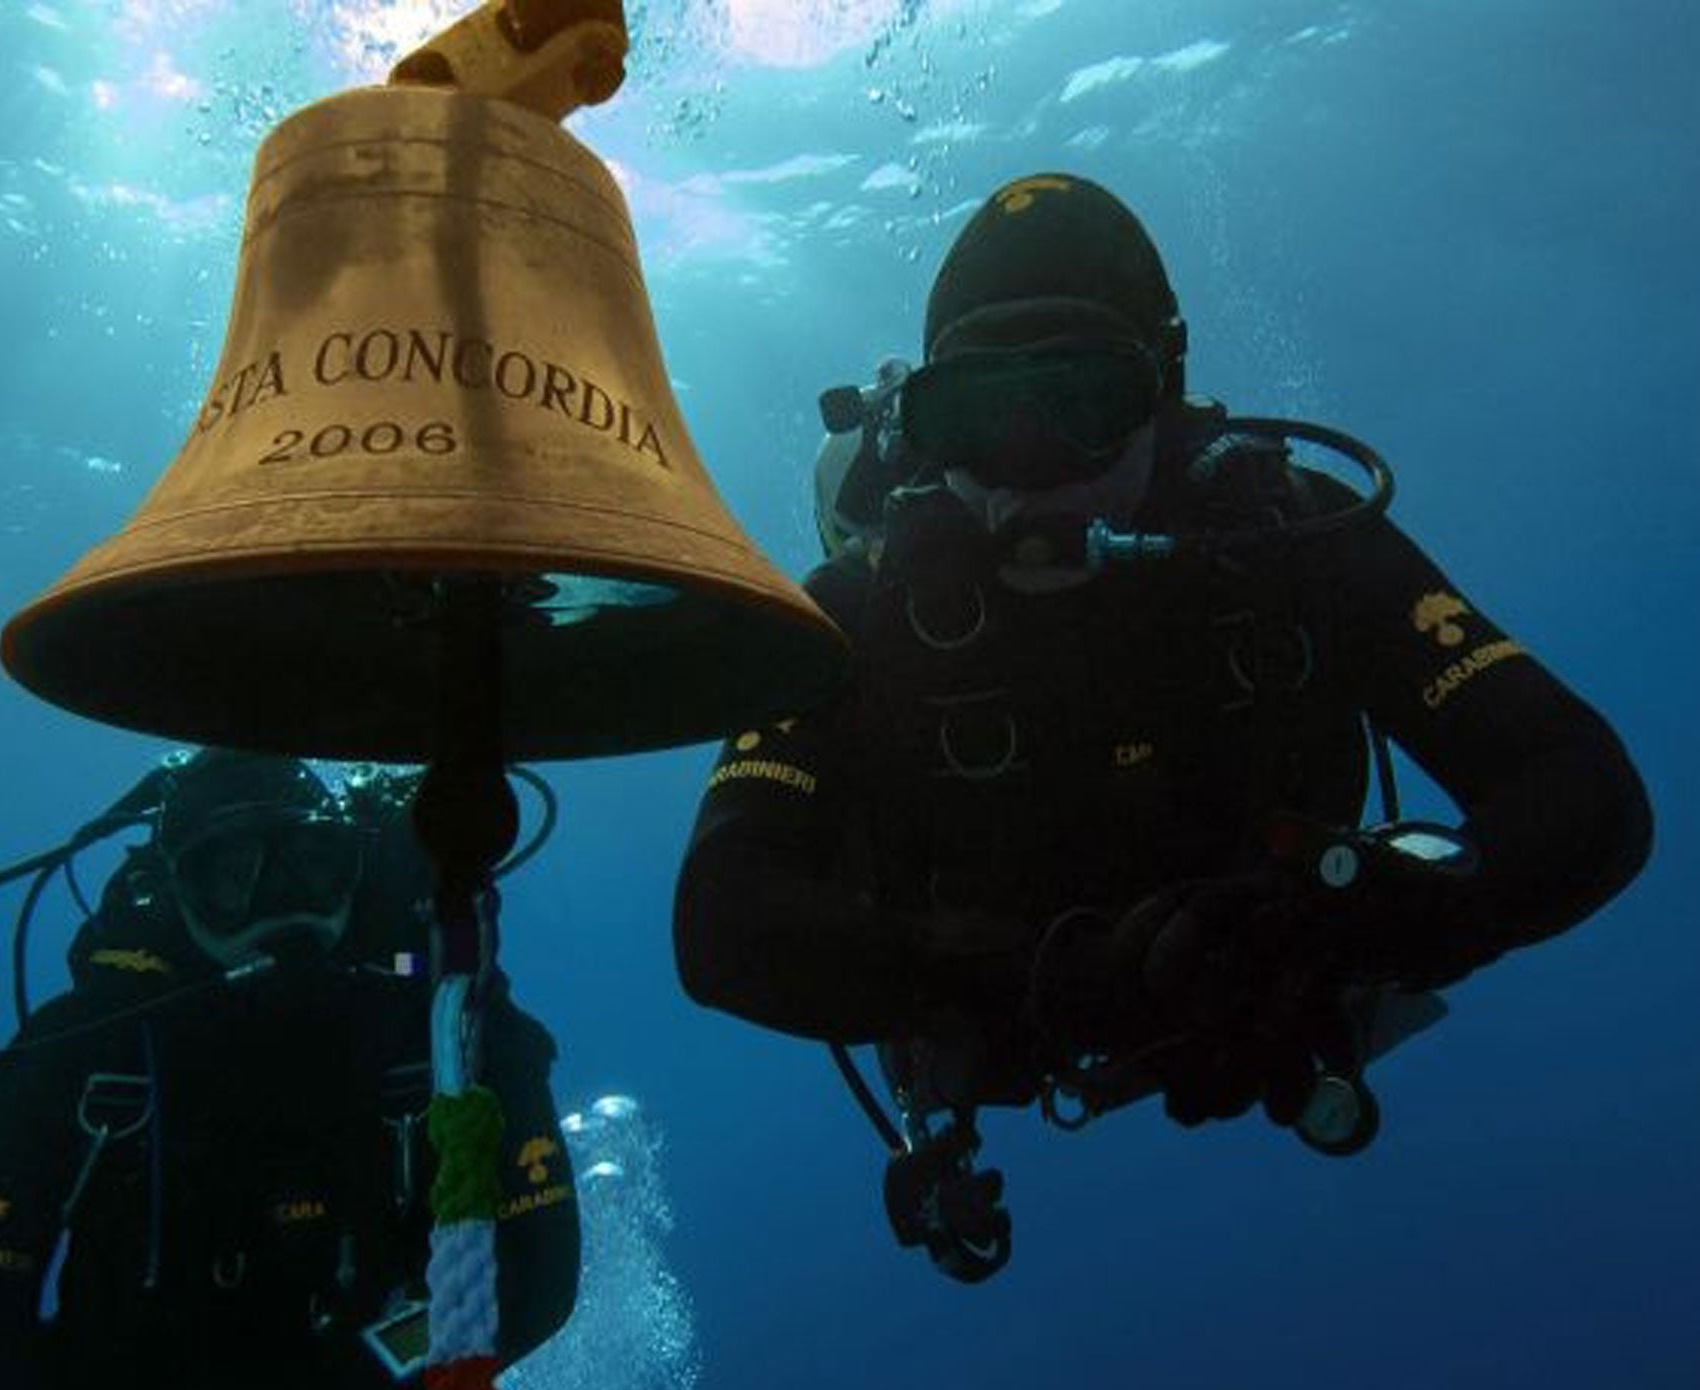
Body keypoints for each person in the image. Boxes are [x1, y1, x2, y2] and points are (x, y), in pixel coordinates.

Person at [673, 173, 1652, 1279]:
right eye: (972, 424)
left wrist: (1348, 928)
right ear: (915, 432)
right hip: (1005, 1011)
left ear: (1162, 395)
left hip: (1295, 960)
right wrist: (1030, 979)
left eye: (1079, 405)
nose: (1025, 476)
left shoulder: (1295, 544)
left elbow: (1584, 790)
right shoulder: (859, 615)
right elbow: (723, 919)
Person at [0, 748, 580, 1390]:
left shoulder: (442, 1024)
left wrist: (369, 1373)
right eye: (234, 876)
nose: (284, 907)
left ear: (355, 869)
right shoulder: (89, 1050)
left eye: (314, 865)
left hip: (365, 1363)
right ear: (178, 891)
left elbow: (539, 1269)